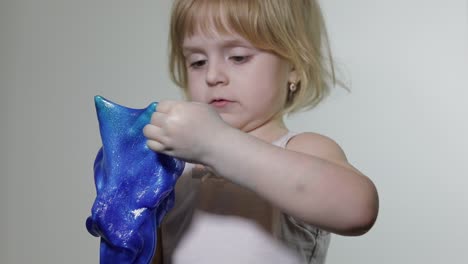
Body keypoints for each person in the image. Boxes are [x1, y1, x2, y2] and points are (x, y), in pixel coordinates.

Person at [143, 0, 379, 263]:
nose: (212, 75)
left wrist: (215, 143)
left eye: (238, 57)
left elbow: (357, 209)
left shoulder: (301, 149)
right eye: (197, 62)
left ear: (294, 67)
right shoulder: (176, 171)